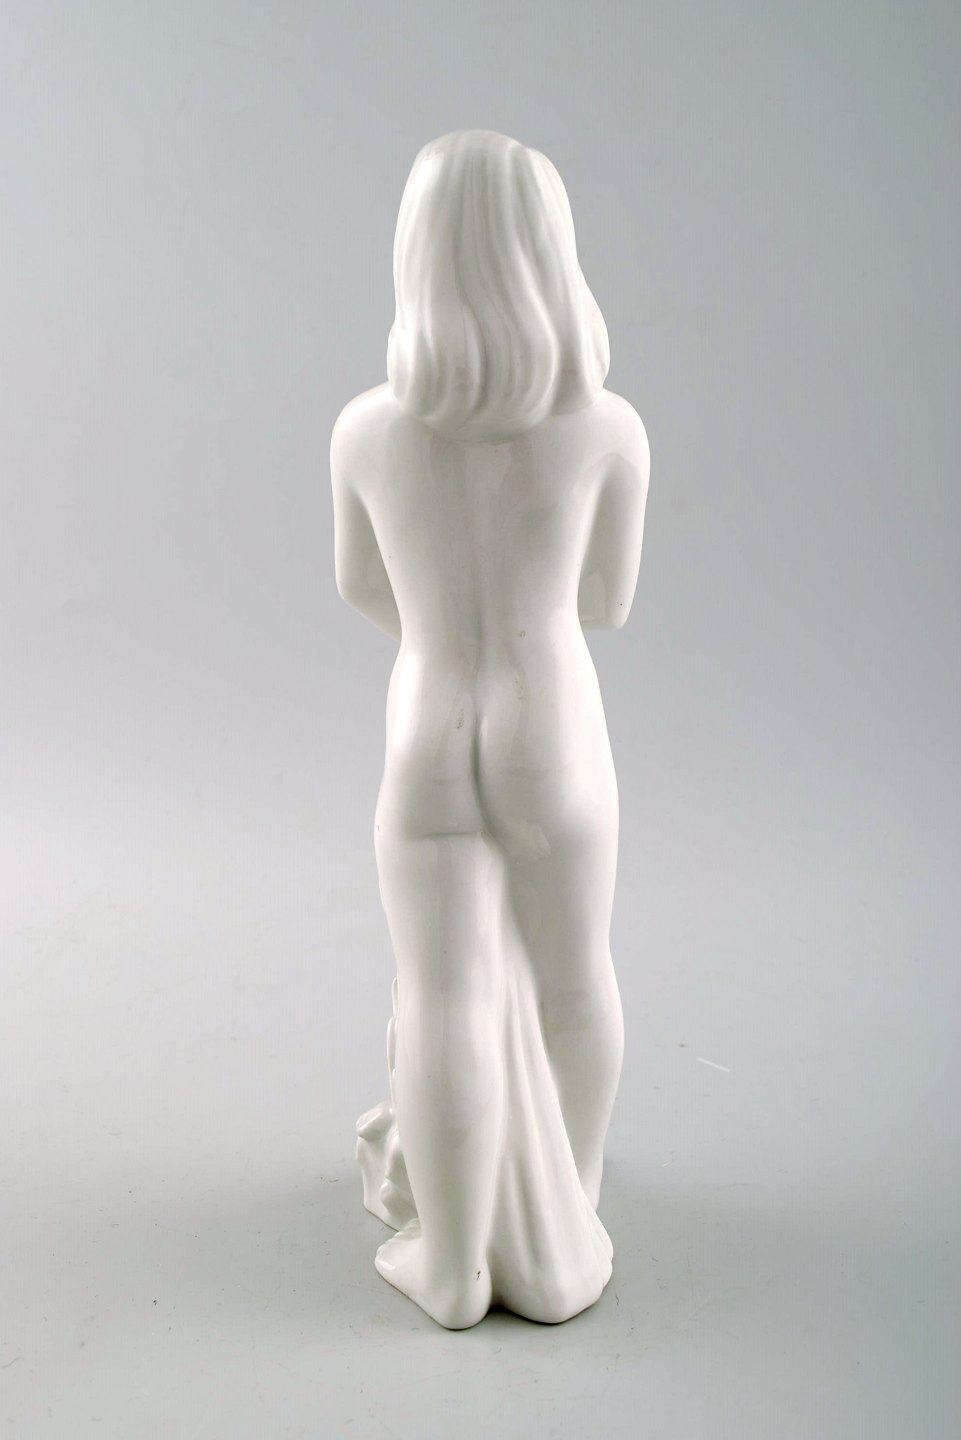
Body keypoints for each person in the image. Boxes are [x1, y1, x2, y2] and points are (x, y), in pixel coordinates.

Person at [332, 129, 649, 1329]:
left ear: (414, 255)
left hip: (426, 718)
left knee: (443, 991)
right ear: (549, 252)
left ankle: (455, 1267)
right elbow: (609, 602)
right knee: (574, 974)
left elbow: (359, 586)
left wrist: (439, 629)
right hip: (550, 720)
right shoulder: (606, 429)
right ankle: (573, 1205)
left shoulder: (366, 430)